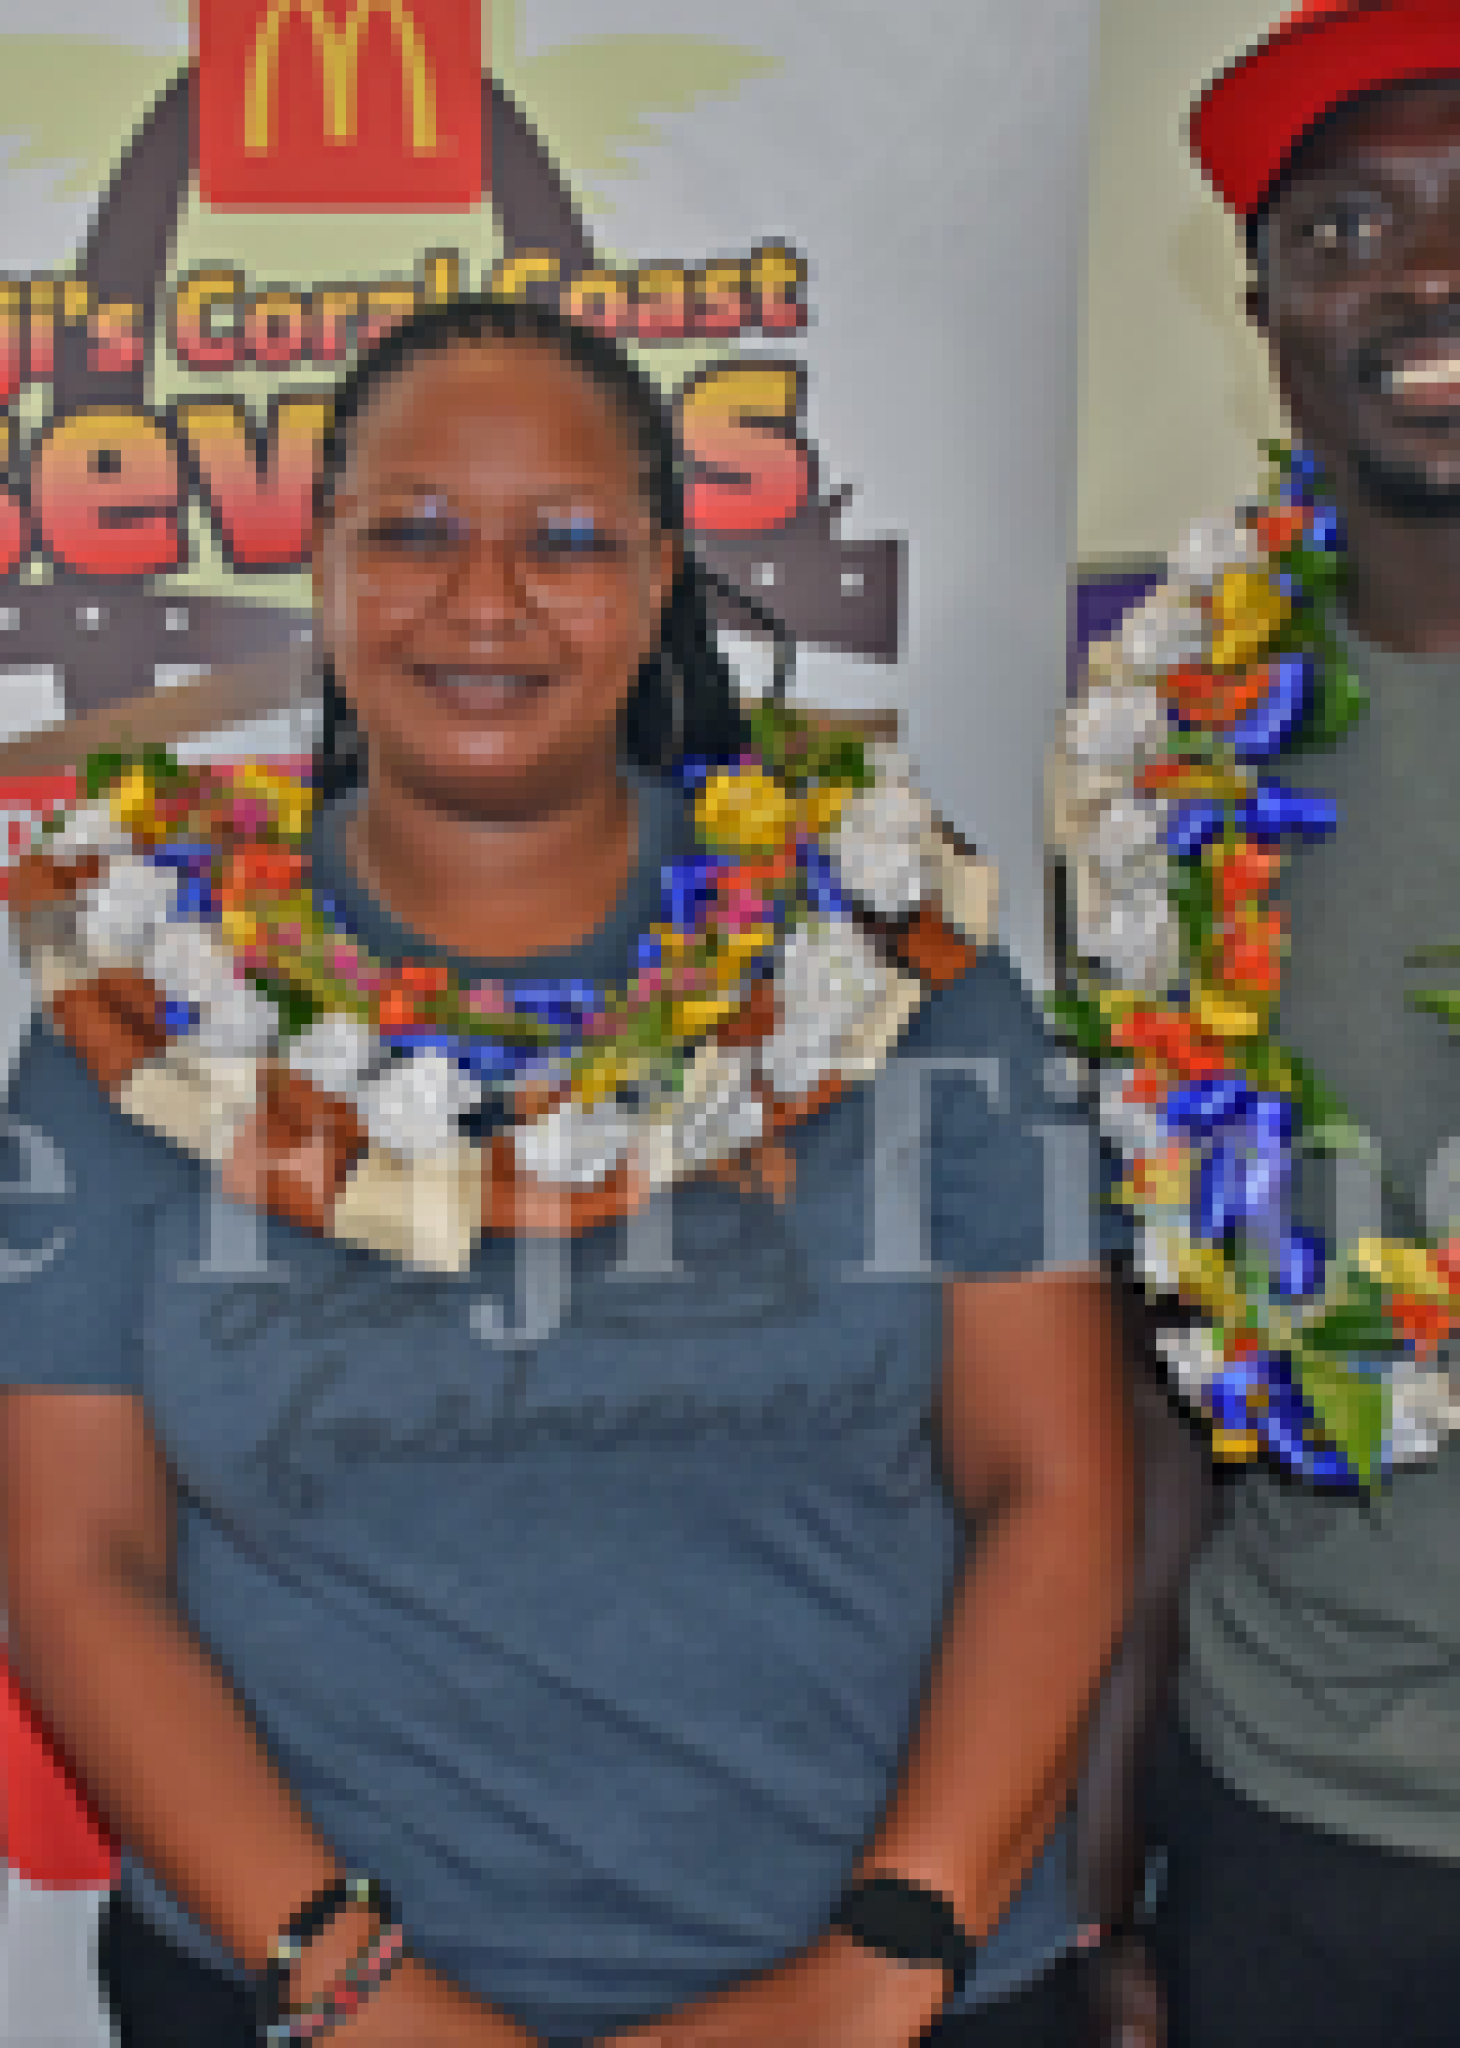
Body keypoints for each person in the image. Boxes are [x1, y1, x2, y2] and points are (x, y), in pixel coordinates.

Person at [0, 294, 1133, 2046]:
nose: (483, 600)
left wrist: (879, 1966)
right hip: (304, 2006)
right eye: (411, 532)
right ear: (321, 573)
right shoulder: (140, 1010)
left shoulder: (886, 968)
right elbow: (74, 1570)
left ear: (657, 584)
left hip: (893, 2003)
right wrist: (365, 1999)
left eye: (564, 541)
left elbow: (1057, 1490)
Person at [1058, 6, 1460, 2042]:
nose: (1425, 273)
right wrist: (1099, 1885)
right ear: (1268, 318)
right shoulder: (1174, 766)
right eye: (1346, 229)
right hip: (1301, 1829)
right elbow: (1157, 1381)